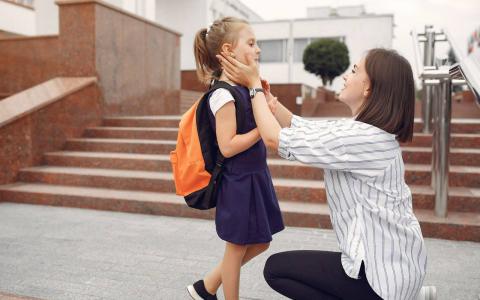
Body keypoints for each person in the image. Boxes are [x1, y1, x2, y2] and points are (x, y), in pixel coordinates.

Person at [217, 48, 428, 300]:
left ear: (368, 88)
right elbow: (301, 127)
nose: (345, 77)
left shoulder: (363, 138)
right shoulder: (363, 131)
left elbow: (274, 139)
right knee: (282, 269)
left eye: (354, 71)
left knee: (277, 271)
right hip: (394, 264)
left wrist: (254, 87)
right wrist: (268, 97)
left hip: (382, 279)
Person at [187, 17, 285, 300]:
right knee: (236, 247)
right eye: (251, 43)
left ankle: (205, 286)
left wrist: (266, 105)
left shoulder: (245, 88)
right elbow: (228, 146)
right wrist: (261, 128)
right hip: (238, 181)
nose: (258, 50)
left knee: (261, 242)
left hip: (255, 176)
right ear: (229, 50)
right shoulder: (222, 95)